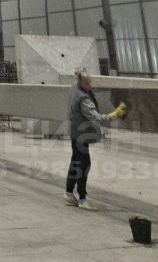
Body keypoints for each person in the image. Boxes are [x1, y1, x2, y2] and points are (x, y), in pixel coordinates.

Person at [65, 68, 127, 211]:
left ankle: (68, 193)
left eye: (90, 82)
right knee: (84, 165)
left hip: (74, 130)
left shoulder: (74, 87)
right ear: (81, 83)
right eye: (87, 83)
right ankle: (82, 199)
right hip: (81, 134)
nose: (90, 86)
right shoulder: (83, 99)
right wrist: (116, 114)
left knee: (76, 161)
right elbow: (97, 118)